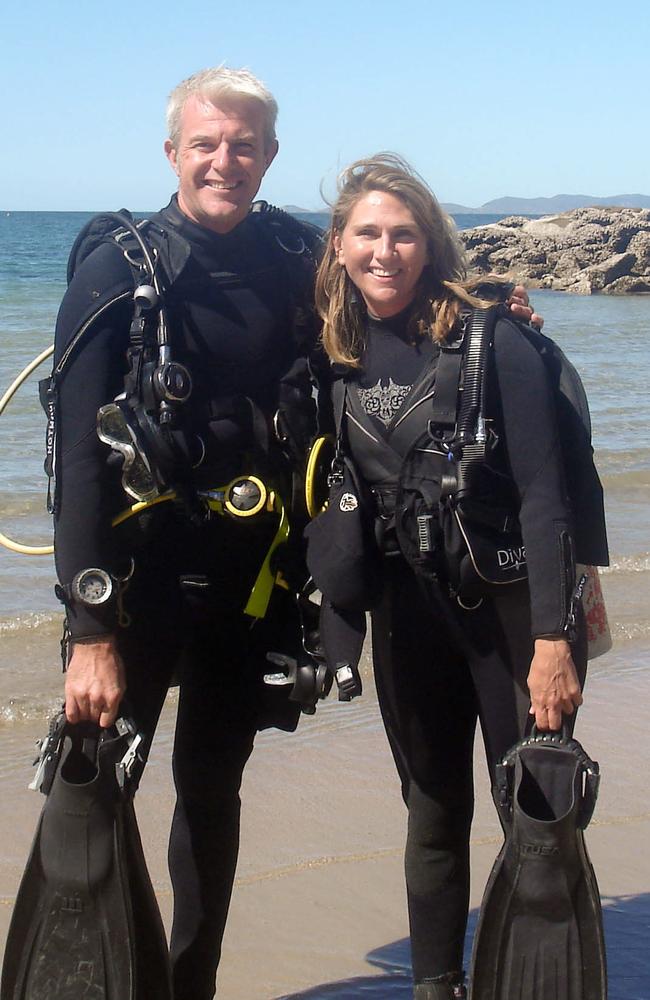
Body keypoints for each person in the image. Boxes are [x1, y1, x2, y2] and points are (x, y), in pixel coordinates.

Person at [50, 70, 540, 999]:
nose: (223, 161)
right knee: (94, 794)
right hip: (141, 586)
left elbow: (391, 279)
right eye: (205, 144)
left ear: (269, 154)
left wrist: (492, 306)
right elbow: (78, 459)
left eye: (244, 145)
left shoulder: (291, 255)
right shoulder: (120, 274)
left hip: (251, 590)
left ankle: (189, 981)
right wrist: (87, 632)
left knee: (210, 793)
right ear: (172, 153)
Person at [311, 154, 608, 999]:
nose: (385, 251)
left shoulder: (494, 336)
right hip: (409, 617)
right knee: (433, 815)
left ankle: (534, 977)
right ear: (337, 246)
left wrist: (556, 640)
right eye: (367, 234)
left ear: (431, 244)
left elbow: (548, 498)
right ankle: (435, 986)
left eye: (404, 235)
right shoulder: (333, 347)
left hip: (512, 616)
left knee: (534, 815)